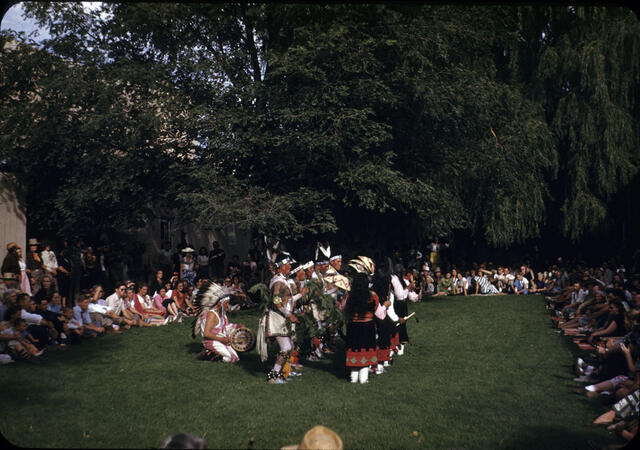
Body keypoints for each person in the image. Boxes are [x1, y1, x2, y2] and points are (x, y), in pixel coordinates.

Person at [257, 253, 299, 384]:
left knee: (288, 347)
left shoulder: (281, 279)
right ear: (281, 266)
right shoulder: (278, 282)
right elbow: (276, 299)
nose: (290, 267)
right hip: (276, 318)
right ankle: (273, 376)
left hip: (280, 318)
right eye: (288, 265)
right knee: (286, 347)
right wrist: (288, 314)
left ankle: (277, 374)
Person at [193, 282, 244, 363]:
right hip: (212, 341)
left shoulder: (222, 314)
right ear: (220, 303)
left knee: (236, 357)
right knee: (230, 358)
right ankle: (206, 354)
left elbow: (225, 327)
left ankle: (212, 353)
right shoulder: (211, 314)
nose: (228, 306)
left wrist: (238, 326)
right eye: (226, 303)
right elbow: (206, 334)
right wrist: (222, 339)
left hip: (220, 341)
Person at [345, 271, 378, 384]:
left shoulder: (349, 296)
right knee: (365, 351)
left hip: (353, 327)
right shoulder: (372, 296)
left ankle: (353, 378)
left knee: (354, 350)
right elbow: (377, 312)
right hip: (367, 328)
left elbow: (344, 309)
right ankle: (363, 378)